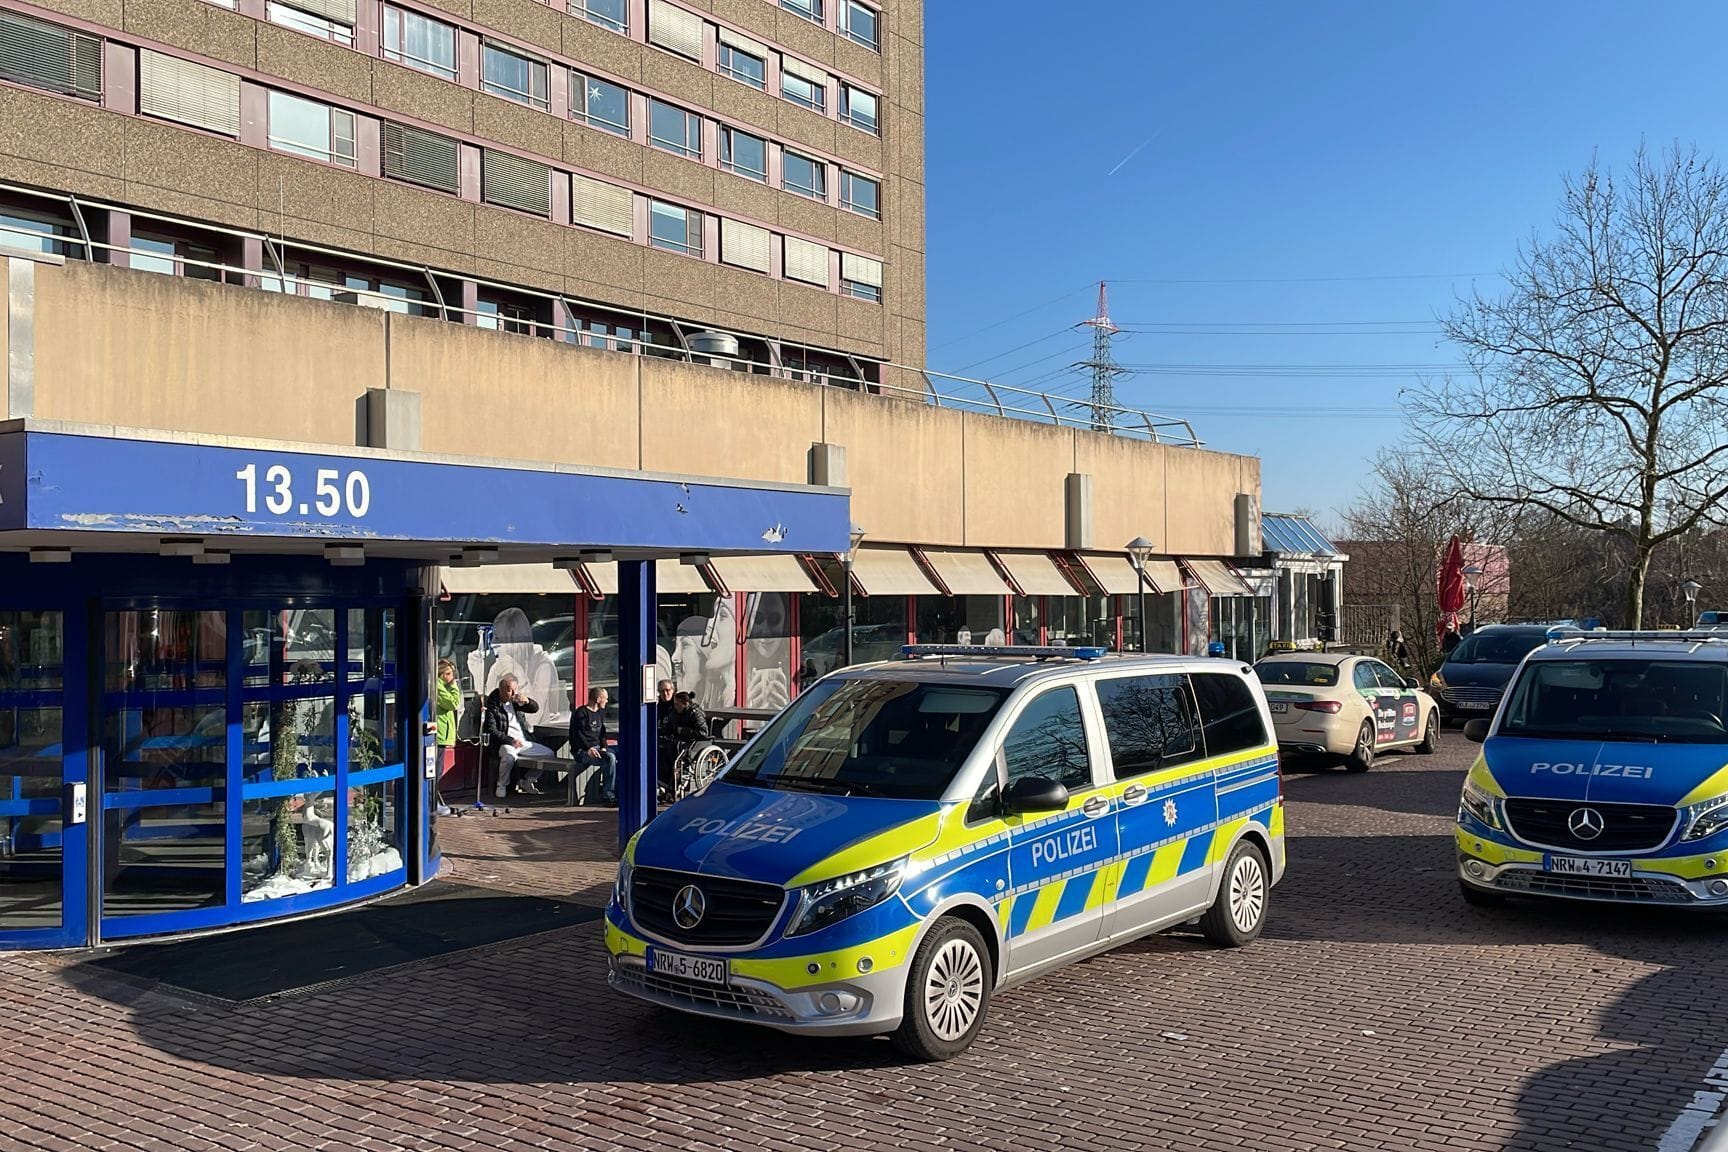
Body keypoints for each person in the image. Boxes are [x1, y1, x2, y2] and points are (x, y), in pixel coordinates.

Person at [483, 674, 553, 799]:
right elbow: (491, 730)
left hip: (522, 742)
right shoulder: (493, 706)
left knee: (549, 754)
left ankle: (528, 780)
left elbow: (535, 709)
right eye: (510, 690)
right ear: (502, 690)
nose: (513, 693)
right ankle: (502, 784)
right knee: (509, 757)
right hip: (504, 743)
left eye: (516, 690)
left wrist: (527, 701)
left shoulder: (515, 702)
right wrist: (510, 740)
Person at [571, 686, 617, 806]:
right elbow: (577, 735)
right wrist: (588, 748)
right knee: (610, 758)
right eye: (605, 699)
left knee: (623, 751)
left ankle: (621, 790)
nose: (607, 702)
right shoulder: (581, 713)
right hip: (583, 751)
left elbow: (602, 733)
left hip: (597, 748)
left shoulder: (599, 713)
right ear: (598, 699)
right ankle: (608, 795)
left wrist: (603, 746)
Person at [660, 691, 710, 797]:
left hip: (693, 743)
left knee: (673, 754)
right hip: (678, 740)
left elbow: (703, 733)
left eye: (678, 704)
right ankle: (664, 784)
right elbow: (668, 727)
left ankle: (672, 786)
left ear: (686, 704)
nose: (675, 706)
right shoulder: (674, 713)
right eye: (675, 704)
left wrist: (682, 730)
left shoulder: (695, 713)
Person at [432, 658, 460, 816]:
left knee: (438, 770)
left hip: (444, 734)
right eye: (449, 674)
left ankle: (433, 800)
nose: (452, 677)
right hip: (439, 734)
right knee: (436, 771)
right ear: (441, 674)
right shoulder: (438, 687)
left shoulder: (442, 686)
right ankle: (432, 802)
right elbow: (453, 703)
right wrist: (454, 687)